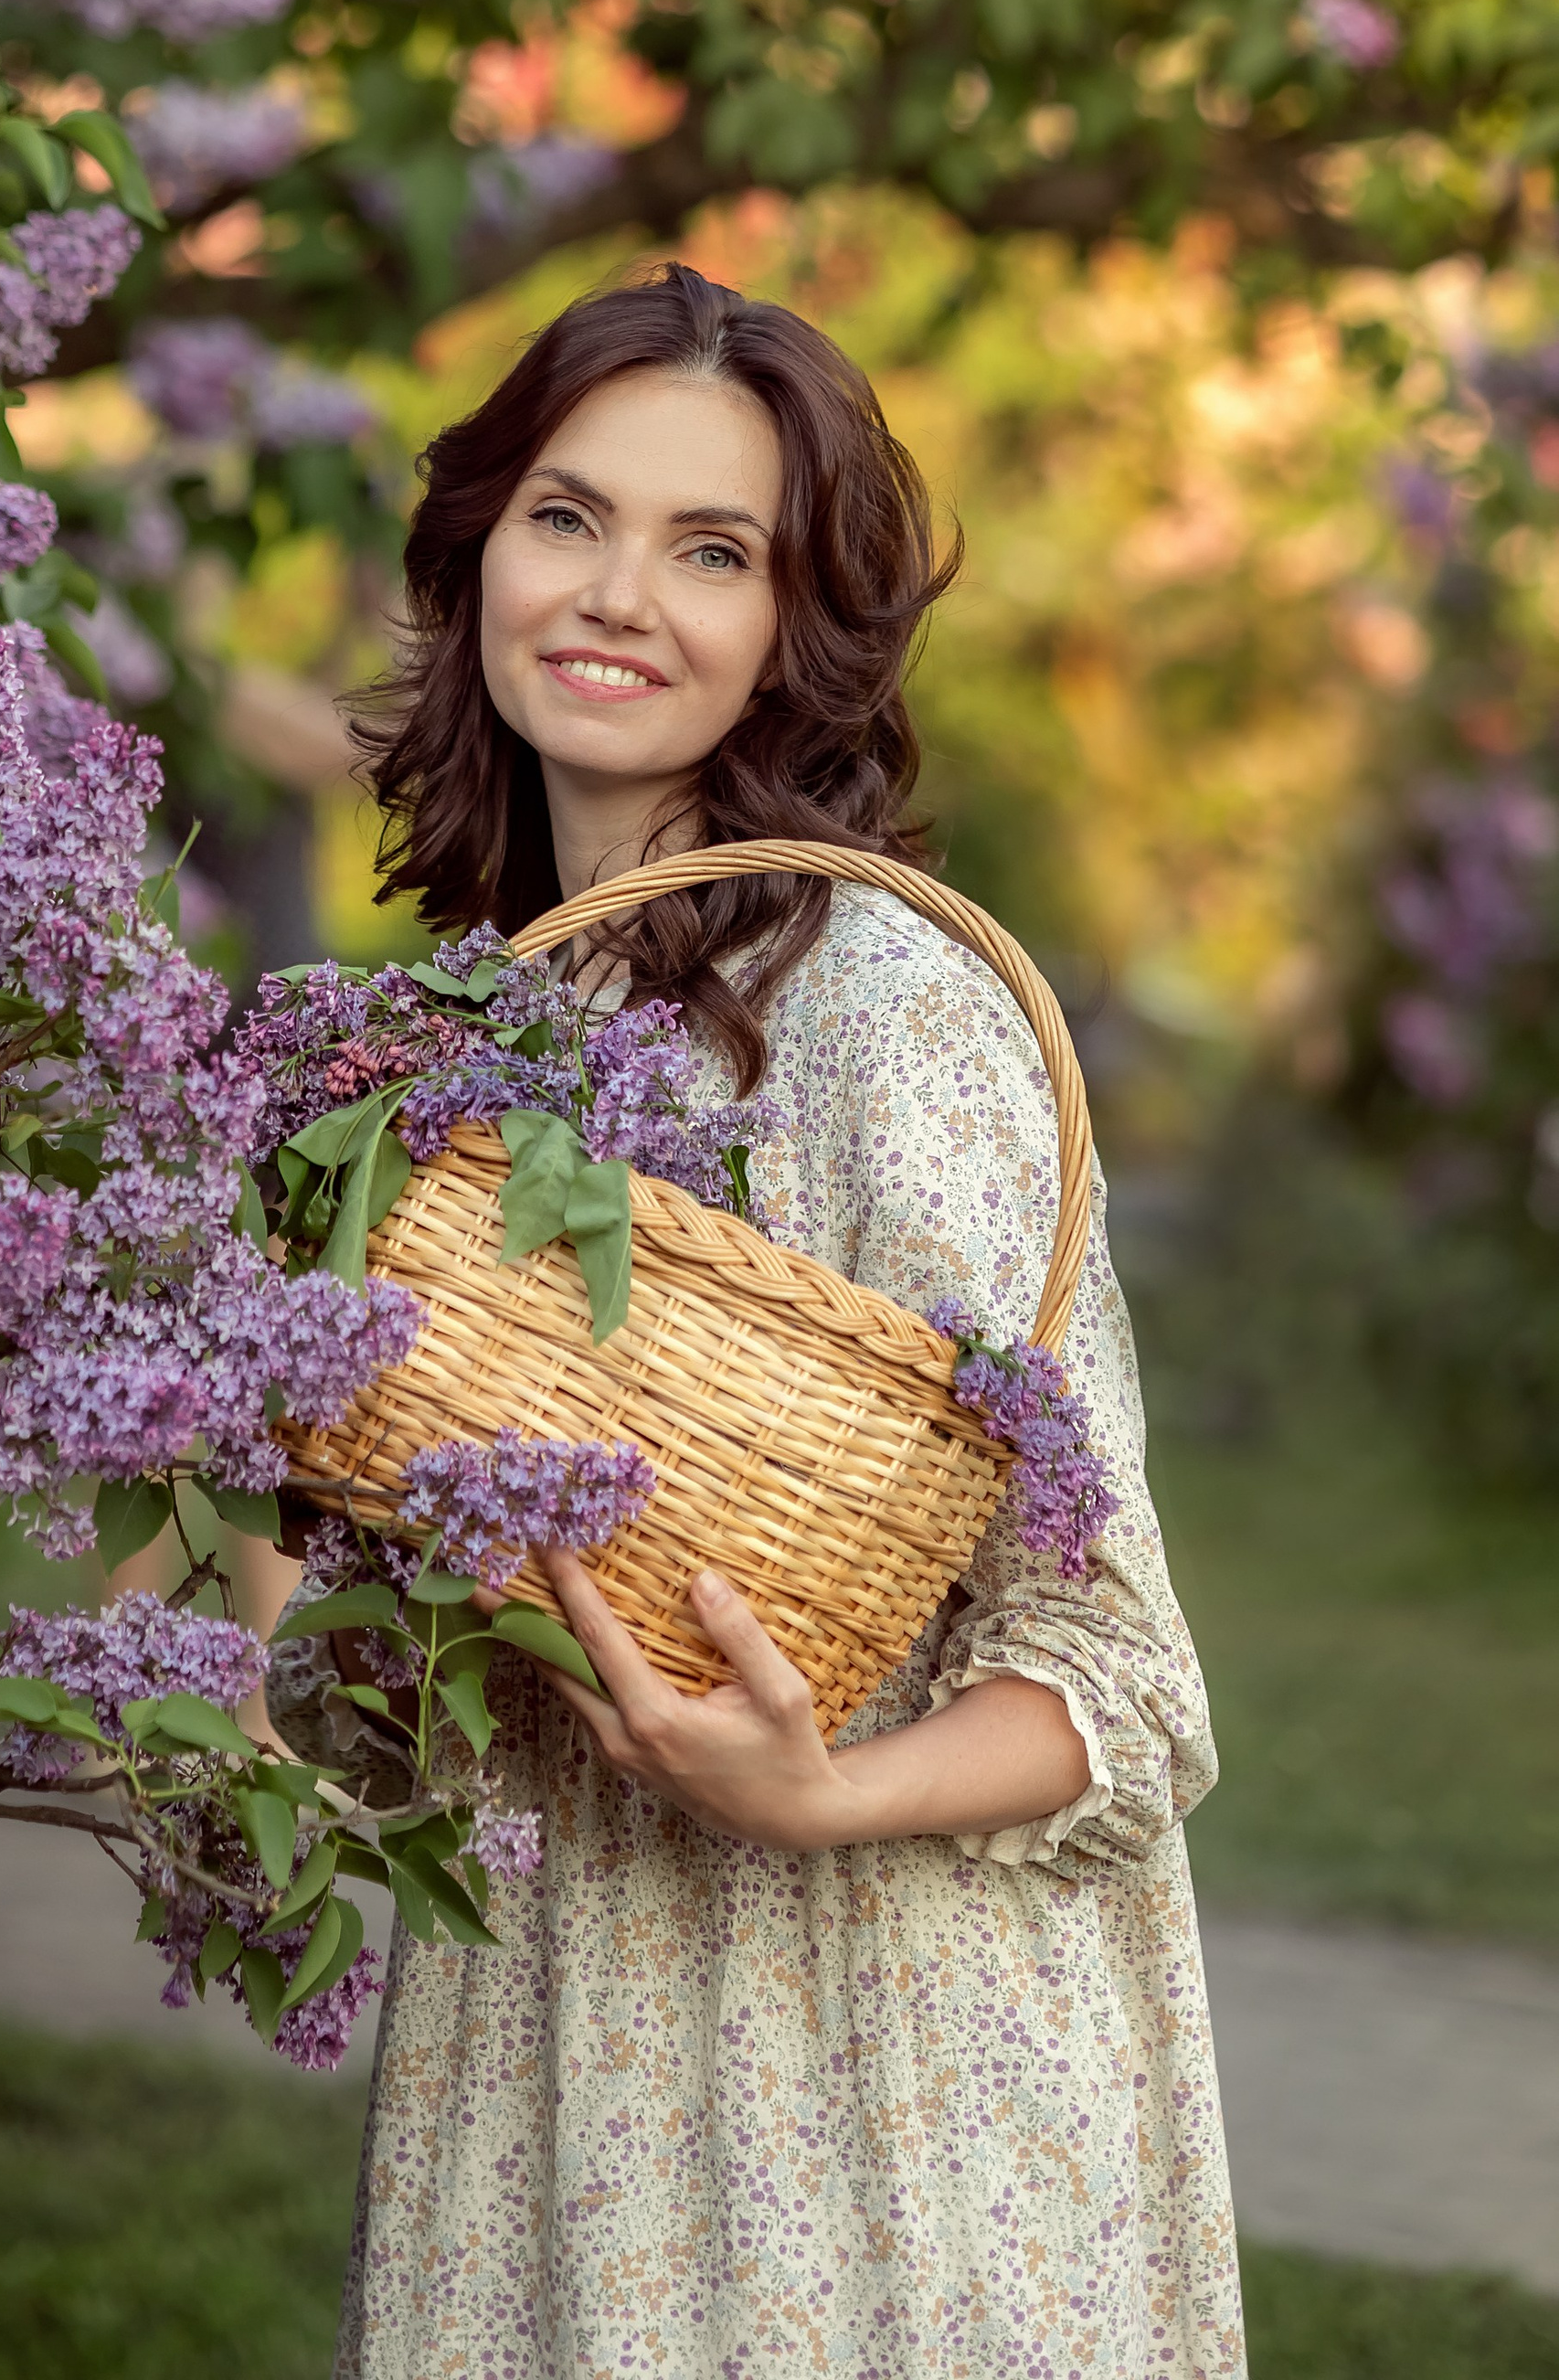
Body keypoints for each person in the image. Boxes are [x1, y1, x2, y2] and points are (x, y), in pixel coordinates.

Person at [273, 262, 1244, 2380]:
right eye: (569, 515)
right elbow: (371, 1704)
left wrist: (813, 1794)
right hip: (551, 2062)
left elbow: (1120, 1677)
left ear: (792, 632)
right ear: (474, 551)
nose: (618, 595)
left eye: (710, 551)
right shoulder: (439, 1061)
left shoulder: (887, 1019)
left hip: (872, 2100)